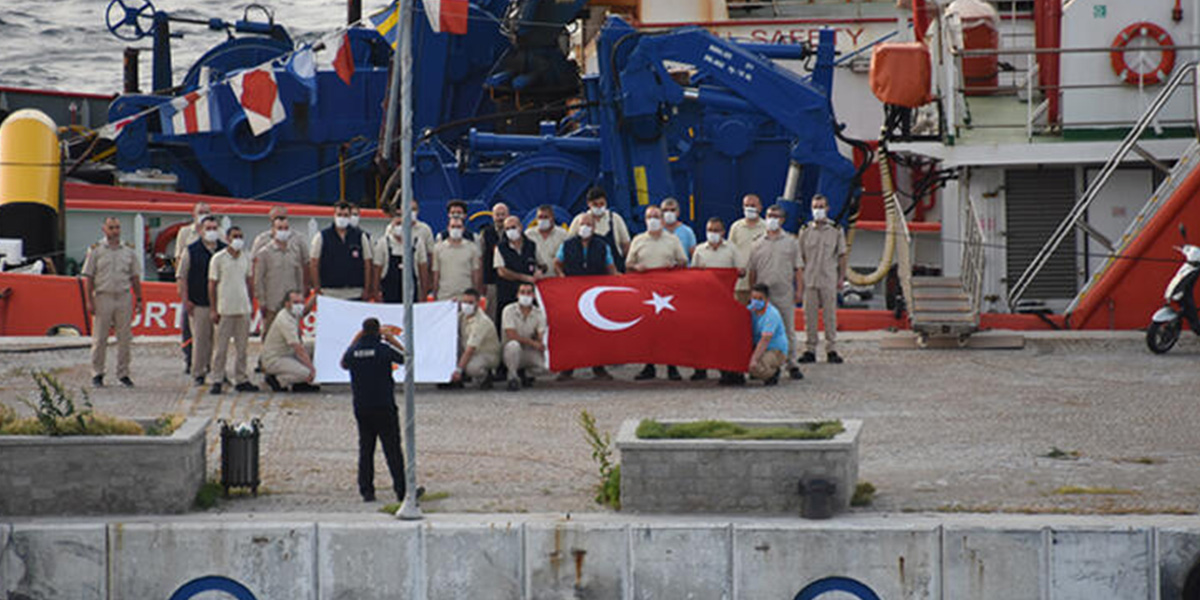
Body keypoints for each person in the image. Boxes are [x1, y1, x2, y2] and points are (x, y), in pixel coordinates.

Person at [340, 317, 408, 502]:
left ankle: (367, 490)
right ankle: (402, 490)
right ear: (378, 331)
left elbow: (343, 363)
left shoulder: (354, 352)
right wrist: (391, 340)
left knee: (366, 449)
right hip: (384, 405)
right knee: (393, 450)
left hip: (362, 407)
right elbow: (407, 358)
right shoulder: (383, 350)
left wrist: (355, 340)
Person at [627, 205, 688, 381]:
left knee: (669, 329)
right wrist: (636, 267)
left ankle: (672, 366)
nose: (652, 220)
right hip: (645, 293)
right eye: (649, 217)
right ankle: (649, 365)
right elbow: (628, 264)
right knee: (647, 329)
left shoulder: (672, 240)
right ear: (645, 220)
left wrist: (674, 266)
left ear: (662, 220)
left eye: (655, 216)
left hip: (667, 292)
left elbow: (683, 261)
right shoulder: (638, 240)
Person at [553, 211, 617, 381]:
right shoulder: (567, 245)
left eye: (588, 225)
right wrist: (561, 276)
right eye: (582, 224)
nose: (585, 228)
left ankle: (599, 367)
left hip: (595, 295)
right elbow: (557, 263)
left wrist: (620, 282)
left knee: (596, 330)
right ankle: (568, 367)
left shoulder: (602, 245)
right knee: (571, 330)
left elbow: (610, 267)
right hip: (572, 294)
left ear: (594, 227)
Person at [82, 217, 142, 387]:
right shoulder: (96, 250)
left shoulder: (128, 251)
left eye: (117, 228)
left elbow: (135, 276)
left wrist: (139, 298)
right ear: (104, 229)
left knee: (124, 338)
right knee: (100, 338)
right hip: (103, 296)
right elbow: (89, 277)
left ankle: (123, 373)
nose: (115, 231)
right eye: (111, 228)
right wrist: (89, 301)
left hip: (123, 296)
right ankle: (97, 373)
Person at [747, 204, 804, 381]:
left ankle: (792, 364)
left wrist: (799, 290)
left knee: (788, 329)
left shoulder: (791, 242)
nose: (773, 219)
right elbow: (753, 271)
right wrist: (752, 293)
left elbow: (798, 269)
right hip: (763, 295)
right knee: (760, 330)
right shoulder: (757, 244)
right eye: (770, 215)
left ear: (783, 220)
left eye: (777, 216)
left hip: (784, 292)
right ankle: (767, 363)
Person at [689, 217, 743, 382]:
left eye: (716, 230)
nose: (713, 233)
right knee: (701, 335)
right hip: (704, 301)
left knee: (723, 337)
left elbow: (741, 271)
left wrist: (737, 272)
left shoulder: (732, 249)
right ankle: (700, 368)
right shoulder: (699, 250)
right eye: (710, 230)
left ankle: (724, 369)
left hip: (725, 301)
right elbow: (692, 275)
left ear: (723, 232)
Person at [208, 226, 260, 395]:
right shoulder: (219, 258)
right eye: (235, 236)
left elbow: (249, 281)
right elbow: (212, 285)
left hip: (242, 308)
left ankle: (241, 378)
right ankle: (217, 379)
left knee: (242, 348)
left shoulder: (246, 257)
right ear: (228, 238)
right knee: (221, 349)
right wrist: (213, 308)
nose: (238, 239)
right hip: (225, 309)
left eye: (240, 236)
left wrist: (251, 304)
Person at [798, 194, 849, 364]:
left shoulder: (836, 230)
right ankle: (810, 349)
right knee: (809, 316)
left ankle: (831, 349)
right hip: (810, 279)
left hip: (828, 279)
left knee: (830, 316)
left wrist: (841, 277)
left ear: (827, 208)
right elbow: (800, 257)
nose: (818, 210)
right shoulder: (805, 230)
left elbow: (841, 255)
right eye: (815, 207)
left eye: (821, 207)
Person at [177, 215, 225, 386]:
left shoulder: (224, 250)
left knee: (220, 341)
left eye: (214, 228)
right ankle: (199, 372)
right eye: (208, 228)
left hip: (221, 303)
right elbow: (182, 277)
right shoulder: (191, 250)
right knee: (200, 340)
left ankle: (218, 371)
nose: (211, 232)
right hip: (199, 302)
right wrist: (186, 300)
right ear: (200, 230)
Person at [174, 202, 214, 372]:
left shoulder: (216, 233)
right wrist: (181, 289)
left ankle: (209, 363)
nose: (204, 215)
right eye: (201, 212)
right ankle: (190, 359)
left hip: (210, 287)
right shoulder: (185, 233)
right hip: (192, 287)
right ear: (194, 214)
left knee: (211, 332)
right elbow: (178, 260)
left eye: (207, 212)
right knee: (189, 328)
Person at [254, 214, 306, 334]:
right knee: (270, 335)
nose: (283, 231)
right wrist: (262, 302)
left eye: (286, 228)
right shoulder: (264, 253)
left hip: (292, 305)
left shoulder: (295, 251)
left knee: (294, 334)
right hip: (272, 304)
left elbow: (299, 275)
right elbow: (259, 279)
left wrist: (300, 295)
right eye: (280, 228)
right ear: (273, 230)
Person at [311, 200, 372, 301]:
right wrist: (317, 288)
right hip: (329, 293)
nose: (342, 218)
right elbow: (314, 263)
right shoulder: (322, 236)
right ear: (334, 215)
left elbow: (367, 263)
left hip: (355, 292)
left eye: (345, 215)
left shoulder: (360, 236)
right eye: (339, 214)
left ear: (349, 217)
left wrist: (367, 288)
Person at [493, 214, 541, 341]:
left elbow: (541, 264)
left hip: (528, 293)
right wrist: (524, 277)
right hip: (507, 292)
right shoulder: (500, 247)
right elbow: (501, 271)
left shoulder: (531, 245)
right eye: (507, 228)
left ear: (520, 227)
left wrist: (540, 271)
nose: (510, 231)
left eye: (513, 227)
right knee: (506, 324)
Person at [262, 291, 320, 393]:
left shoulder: (293, 313)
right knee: (306, 373)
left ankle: (299, 379)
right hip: (276, 358)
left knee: (315, 348)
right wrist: (312, 369)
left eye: (301, 302)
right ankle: (280, 380)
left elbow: (305, 310)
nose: (299, 305)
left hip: (288, 353)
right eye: (295, 302)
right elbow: (298, 348)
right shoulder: (285, 319)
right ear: (287, 303)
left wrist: (315, 297)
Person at [447, 288, 500, 389]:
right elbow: (448, 322)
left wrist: (459, 370)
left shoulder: (482, 321)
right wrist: (450, 307)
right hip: (470, 351)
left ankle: (485, 376)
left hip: (486, 354)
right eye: (464, 302)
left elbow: (470, 350)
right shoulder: (462, 316)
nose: (467, 305)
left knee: (472, 368)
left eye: (470, 302)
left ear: (478, 303)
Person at [568, 187, 630, 272]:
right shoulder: (579, 220)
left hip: (615, 269)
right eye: (595, 204)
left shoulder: (615, 219)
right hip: (588, 273)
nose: (599, 207)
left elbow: (626, 245)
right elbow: (569, 246)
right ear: (588, 204)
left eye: (602, 204)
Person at [252, 206, 311, 293]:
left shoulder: (298, 239)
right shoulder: (261, 240)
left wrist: (306, 285)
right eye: (276, 218)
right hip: (270, 290)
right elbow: (255, 265)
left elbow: (306, 263)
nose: (280, 220)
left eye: (282, 217)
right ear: (271, 220)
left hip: (293, 289)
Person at [373, 213, 430, 303]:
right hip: (389, 296)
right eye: (397, 224)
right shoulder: (383, 243)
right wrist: (376, 293)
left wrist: (423, 295)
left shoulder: (417, 243)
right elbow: (377, 270)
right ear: (392, 225)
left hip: (411, 296)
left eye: (403, 224)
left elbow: (423, 270)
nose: (400, 227)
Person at [501, 283, 546, 391]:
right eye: (522, 292)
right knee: (513, 345)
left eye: (529, 292)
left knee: (545, 365)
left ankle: (526, 374)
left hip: (528, 351)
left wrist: (539, 343)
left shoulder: (539, 313)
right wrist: (533, 343)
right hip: (510, 351)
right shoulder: (508, 310)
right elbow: (511, 335)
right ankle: (512, 377)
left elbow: (541, 335)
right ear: (517, 295)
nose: (525, 295)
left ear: (534, 296)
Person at [431, 216, 483, 301]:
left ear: (463, 229)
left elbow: (476, 274)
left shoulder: (472, 248)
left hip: (465, 297)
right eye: (453, 227)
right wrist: (435, 294)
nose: (456, 229)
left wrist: (476, 295)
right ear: (448, 228)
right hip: (444, 296)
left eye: (459, 227)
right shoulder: (438, 249)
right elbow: (436, 274)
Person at [729, 193, 767, 305]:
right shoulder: (736, 227)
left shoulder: (766, 227)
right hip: (740, 284)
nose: (749, 208)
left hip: (761, 283)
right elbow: (730, 251)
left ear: (760, 207)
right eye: (747, 205)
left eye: (753, 205)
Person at [746, 283, 788, 386]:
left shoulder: (771, 314)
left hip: (774, 349)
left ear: (767, 299)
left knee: (755, 367)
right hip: (757, 346)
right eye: (754, 298)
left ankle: (773, 373)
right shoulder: (749, 310)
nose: (756, 301)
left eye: (760, 299)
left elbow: (765, 339)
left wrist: (754, 359)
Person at [479, 202, 509, 321]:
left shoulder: (514, 232)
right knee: (491, 312)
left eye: (503, 214)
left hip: (509, 281)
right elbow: (481, 257)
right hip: (491, 281)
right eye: (498, 215)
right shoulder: (486, 233)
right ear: (493, 216)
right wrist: (482, 282)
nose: (500, 218)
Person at [527, 204, 568, 278]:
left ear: (552, 218)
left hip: (557, 278)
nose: (542, 220)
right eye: (540, 217)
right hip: (536, 279)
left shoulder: (563, 234)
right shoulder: (529, 234)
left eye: (545, 217)